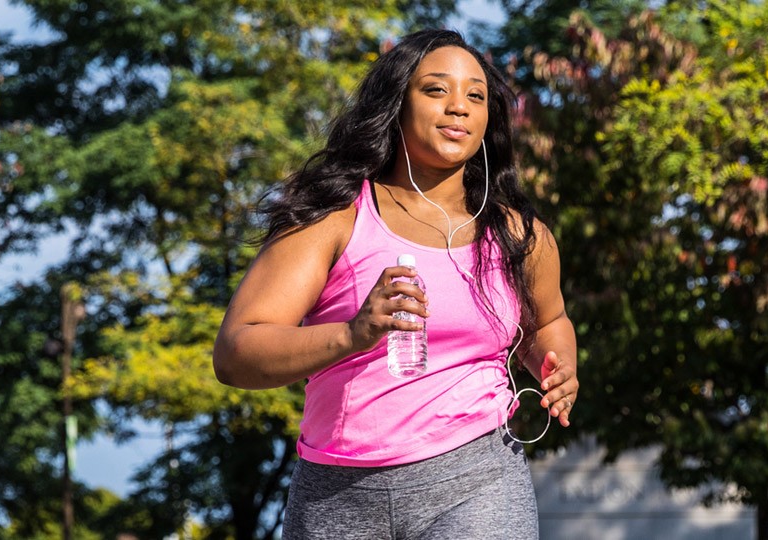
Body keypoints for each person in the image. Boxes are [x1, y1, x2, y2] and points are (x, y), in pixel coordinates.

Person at [212, 29, 579, 539]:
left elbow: (549, 321)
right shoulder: (334, 218)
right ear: (396, 104)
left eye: (475, 95)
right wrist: (352, 334)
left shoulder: (519, 235)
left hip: (478, 477)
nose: (458, 107)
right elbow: (235, 352)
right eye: (435, 90)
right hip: (336, 492)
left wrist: (554, 364)